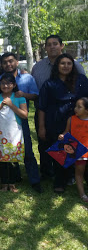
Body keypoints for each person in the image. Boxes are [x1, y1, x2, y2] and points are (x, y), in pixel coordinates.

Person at [32, 35, 86, 180]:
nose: (52, 47)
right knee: (44, 144)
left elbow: (81, 89)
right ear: (45, 48)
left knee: (68, 145)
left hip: (70, 113)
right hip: (45, 112)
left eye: (55, 44)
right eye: (49, 44)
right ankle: (47, 173)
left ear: (61, 46)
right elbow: (36, 91)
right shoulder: (37, 67)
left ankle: (67, 175)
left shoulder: (75, 65)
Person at [0, 52, 42, 193]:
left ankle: (34, 181)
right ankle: (13, 179)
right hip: (3, 121)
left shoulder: (27, 78)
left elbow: (35, 95)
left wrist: (23, 95)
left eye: (11, 61)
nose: (8, 64)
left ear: (17, 61)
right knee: (7, 149)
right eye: (5, 62)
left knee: (27, 151)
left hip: (19, 120)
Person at [0, 73, 28, 193]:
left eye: (9, 83)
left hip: (14, 132)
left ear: (14, 85)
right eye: (3, 83)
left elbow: (25, 115)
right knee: (2, 159)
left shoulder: (20, 98)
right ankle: (4, 183)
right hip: (0, 133)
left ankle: (12, 183)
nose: (6, 85)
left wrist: (11, 105)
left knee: (13, 158)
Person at [58, 98, 88, 202]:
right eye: (76, 106)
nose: (75, 109)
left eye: (79, 107)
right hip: (78, 151)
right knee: (79, 172)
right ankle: (82, 194)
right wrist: (62, 135)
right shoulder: (71, 119)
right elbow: (67, 132)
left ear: (87, 110)